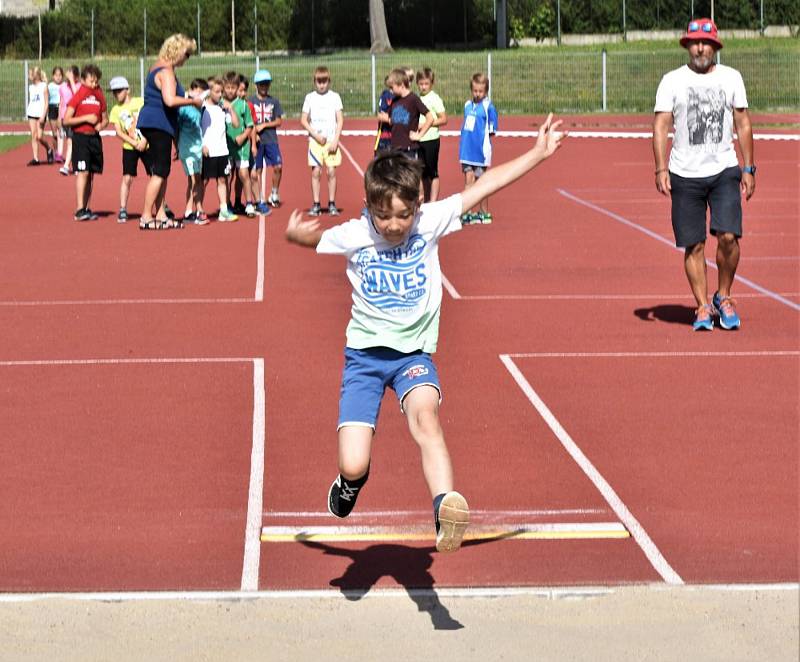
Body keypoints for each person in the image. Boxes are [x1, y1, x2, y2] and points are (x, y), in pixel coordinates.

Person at [285, 114, 567, 553]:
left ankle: (444, 510)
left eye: (403, 215)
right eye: (384, 217)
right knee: (354, 462)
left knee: (426, 419)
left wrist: (538, 152)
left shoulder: (430, 222)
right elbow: (317, 241)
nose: (395, 226)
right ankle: (350, 482)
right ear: (370, 208)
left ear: (417, 206)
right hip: (364, 358)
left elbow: (485, 185)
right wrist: (296, 235)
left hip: (413, 354)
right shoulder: (356, 234)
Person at [653, 18, 754, 331]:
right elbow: (660, 125)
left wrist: (748, 167)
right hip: (684, 173)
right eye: (695, 42)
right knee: (694, 244)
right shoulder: (672, 80)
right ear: (687, 46)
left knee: (728, 236)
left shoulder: (731, 78)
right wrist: (660, 167)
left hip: (724, 169)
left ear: (715, 47)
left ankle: (723, 297)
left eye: (706, 43)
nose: (700, 48)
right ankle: (701, 306)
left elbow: (743, 123)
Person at [136, 33, 202, 230]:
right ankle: (146, 216)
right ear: (177, 51)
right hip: (158, 123)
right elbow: (170, 100)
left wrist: (188, 94)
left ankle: (161, 214)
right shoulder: (166, 71)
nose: (187, 58)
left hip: (157, 123)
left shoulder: (158, 67)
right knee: (160, 172)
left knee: (162, 171)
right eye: (187, 54)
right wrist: (193, 101)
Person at [62, 64, 108, 221]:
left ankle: (86, 207)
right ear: (83, 80)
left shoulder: (99, 93)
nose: (94, 84)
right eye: (91, 81)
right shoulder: (79, 94)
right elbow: (67, 119)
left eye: (96, 81)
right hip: (81, 137)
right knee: (83, 172)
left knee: (91, 174)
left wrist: (101, 125)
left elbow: (105, 117)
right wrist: (87, 118)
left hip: (94, 138)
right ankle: (79, 209)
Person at [300, 66, 344, 216]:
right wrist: (315, 135)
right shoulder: (310, 97)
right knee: (316, 172)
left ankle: (331, 203)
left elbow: (340, 120)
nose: (322, 84)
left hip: (331, 141)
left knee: (331, 171)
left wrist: (336, 140)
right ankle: (316, 203)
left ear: (329, 81)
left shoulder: (335, 97)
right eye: (319, 81)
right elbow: (303, 120)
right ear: (314, 82)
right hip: (315, 142)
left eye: (324, 81)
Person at [108, 76, 151, 223]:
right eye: (114, 92)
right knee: (127, 177)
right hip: (129, 147)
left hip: (147, 145)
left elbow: (150, 121)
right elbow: (119, 132)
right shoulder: (115, 110)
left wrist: (144, 141)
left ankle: (162, 206)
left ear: (128, 90)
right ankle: (123, 208)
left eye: (119, 91)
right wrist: (133, 142)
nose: (116, 94)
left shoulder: (140, 102)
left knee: (155, 176)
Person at [459, 72, 498, 225]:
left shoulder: (488, 107)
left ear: (485, 91)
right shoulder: (467, 105)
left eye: (481, 91)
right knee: (468, 179)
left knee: (481, 181)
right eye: (475, 91)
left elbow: (492, 129)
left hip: (480, 151)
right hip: (466, 150)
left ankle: (483, 212)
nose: (477, 94)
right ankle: (468, 212)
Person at [201, 76, 239, 222]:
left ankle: (223, 210)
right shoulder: (203, 108)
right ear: (209, 92)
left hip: (222, 150)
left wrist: (231, 109)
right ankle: (198, 209)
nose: (220, 95)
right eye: (217, 92)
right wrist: (202, 145)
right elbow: (198, 129)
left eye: (221, 92)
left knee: (222, 180)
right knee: (203, 182)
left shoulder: (222, 108)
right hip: (208, 151)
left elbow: (235, 124)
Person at [249, 69, 283, 212]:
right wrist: (254, 132)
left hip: (271, 139)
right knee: (257, 170)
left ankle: (274, 193)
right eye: (261, 84)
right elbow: (248, 120)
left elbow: (279, 121)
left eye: (266, 84)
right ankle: (259, 197)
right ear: (256, 85)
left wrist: (265, 125)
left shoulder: (274, 101)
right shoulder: (250, 101)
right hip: (256, 141)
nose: (264, 87)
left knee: (278, 166)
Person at [223, 71, 256, 217]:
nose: (230, 90)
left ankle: (249, 203)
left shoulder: (243, 105)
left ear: (238, 88)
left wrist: (243, 137)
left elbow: (250, 125)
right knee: (227, 176)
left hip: (241, 147)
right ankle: (227, 204)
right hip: (225, 147)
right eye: (227, 87)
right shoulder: (220, 104)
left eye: (233, 88)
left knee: (243, 174)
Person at [177, 78, 208, 225]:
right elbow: (177, 129)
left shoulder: (201, 108)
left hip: (197, 148)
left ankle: (189, 211)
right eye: (199, 92)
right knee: (195, 179)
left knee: (194, 180)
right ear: (192, 90)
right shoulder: (183, 108)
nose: (201, 97)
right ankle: (199, 210)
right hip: (186, 148)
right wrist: (176, 146)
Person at [385, 68, 433, 160]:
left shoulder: (413, 99)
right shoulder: (394, 100)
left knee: (409, 174)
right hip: (395, 148)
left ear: (401, 85)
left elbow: (430, 118)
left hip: (409, 149)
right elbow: (392, 120)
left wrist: (419, 135)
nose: (390, 91)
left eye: (392, 87)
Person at [416, 67, 447, 202]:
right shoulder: (416, 98)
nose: (423, 87)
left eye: (426, 84)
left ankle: (433, 202)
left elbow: (444, 119)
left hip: (431, 140)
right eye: (421, 84)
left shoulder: (435, 98)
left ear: (432, 83)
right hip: (418, 139)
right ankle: (422, 200)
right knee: (420, 173)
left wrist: (427, 125)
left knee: (432, 172)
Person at [26, 66, 52, 166]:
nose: (29, 76)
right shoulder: (31, 87)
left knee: (40, 136)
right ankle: (35, 158)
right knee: (33, 135)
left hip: (40, 113)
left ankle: (49, 149)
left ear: (36, 75)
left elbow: (46, 102)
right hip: (32, 113)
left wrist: (43, 115)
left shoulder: (44, 86)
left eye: (30, 74)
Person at [58, 65, 80, 176]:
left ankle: (67, 166)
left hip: (75, 118)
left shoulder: (79, 86)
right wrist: (59, 118)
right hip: (65, 118)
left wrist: (72, 81)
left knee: (72, 142)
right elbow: (61, 103)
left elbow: (77, 96)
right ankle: (76, 166)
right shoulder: (62, 87)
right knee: (71, 142)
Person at [47, 67, 65, 162]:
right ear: (53, 76)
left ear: (62, 76)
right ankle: (55, 152)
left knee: (60, 132)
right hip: (52, 108)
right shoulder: (50, 86)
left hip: (61, 108)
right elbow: (46, 97)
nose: (58, 77)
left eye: (60, 75)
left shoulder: (64, 85)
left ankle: (60, 153)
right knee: (54, 133)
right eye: (56, 75)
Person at [373, 75, 393, 155]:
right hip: (385, 135)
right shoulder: (385, 95)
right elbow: (381, 115)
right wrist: (391, 120)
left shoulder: (404, 96)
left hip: (397, 136)